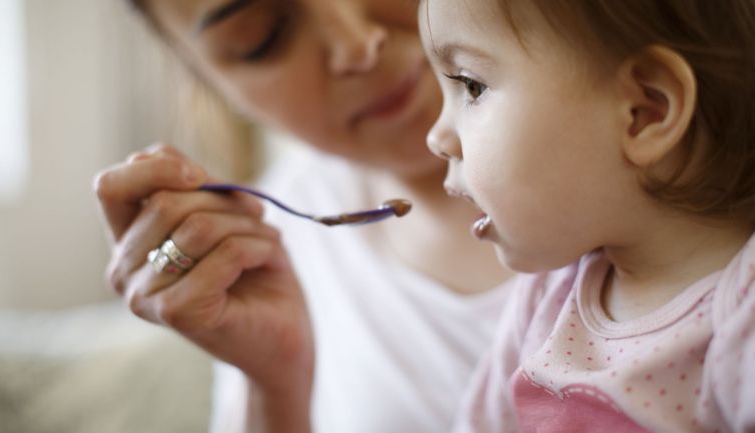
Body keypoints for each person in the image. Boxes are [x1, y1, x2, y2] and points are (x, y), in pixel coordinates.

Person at [94, 1, 515, 433]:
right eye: (262, 36)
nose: (356, 46)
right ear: (214, 85)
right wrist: (274, 388)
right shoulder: (262, 250)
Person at [420, 0, 755, 431]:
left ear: (644, 112)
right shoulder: (549, 293)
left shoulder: (739, 316)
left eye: (471, 86)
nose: (437, 138)